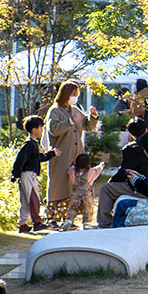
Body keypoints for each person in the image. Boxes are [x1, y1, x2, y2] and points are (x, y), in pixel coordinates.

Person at [44, 81, 98, 222]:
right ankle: (53, 218)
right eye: (73, 94)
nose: (75, 97)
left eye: (77, 95)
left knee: (74, 185)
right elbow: (53, 129)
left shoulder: (75, 109)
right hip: (60, 154)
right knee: (58, 184)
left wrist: (93, 117)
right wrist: (70, 121)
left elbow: (88, 126)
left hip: (76, 154)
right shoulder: (54, 110)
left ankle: (69, 218)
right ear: (66, 94)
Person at [97, 119, 148, 228]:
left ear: (130, 133)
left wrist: (111, 181)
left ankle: (105, 223)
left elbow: (124, 171)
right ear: (146, 130)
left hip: (141, 187)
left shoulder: (131, 148)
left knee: (106, 189)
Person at [10, 114, 59, 233]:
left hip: (29, 174)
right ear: (34, 129)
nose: (42, 130)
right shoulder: (29, 144)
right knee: (33, 198)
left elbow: (38, 158)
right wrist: (15, 174)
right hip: (27, 174)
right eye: (41, 127)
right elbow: (20, 160)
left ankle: (23, 225)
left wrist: (51, 154)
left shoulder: (33, 144)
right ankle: (36, 222)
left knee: (27, 200)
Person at [62, 153, 103, 230]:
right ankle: (86, 224)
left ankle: (69, 220)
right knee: (87, 208)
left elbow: (69, 172)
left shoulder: (72, 170)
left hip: (75, 192)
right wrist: (101, 165)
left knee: (73, 208)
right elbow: (98, 169)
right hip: (87, 193)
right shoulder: (91, 171)